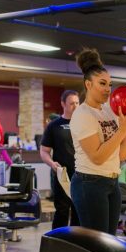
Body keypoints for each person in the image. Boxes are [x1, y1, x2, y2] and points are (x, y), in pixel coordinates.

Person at [70, 48, 126, 235]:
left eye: (110, 84)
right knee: (97, 243)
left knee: (110, 240)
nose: (108, 89)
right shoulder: (82, 115)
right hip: (89, 183)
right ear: (88, 84)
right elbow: (97, 157)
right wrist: (122, 130)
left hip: (112, 181)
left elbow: (122, 155)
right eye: (102, 83)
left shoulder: (108, 111)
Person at [40, 90, 80, 229]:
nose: (75, 106)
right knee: (62, 211)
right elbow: (44, 151)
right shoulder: (54, 126)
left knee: (78, 211)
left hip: (81, 174)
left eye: (77, 103)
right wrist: (51, 163)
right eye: (71, 103)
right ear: (63, 104)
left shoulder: (85, 124)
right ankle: (57, 242)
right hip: (61, 173)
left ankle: (77, 243)